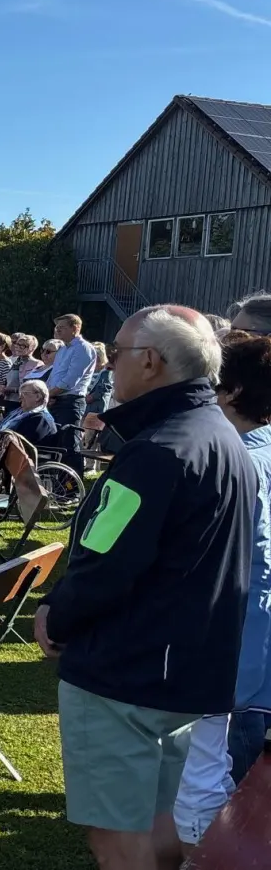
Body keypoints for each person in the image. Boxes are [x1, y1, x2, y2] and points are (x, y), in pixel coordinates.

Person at [35, 305, 252, 870]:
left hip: (125, 674)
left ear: (151, 361)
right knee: (160, 824)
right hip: (181, 668)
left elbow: (104, 562)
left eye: (116, 354)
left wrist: (55, 616)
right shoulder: (222, 437)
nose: (109, 367)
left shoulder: (157, 451)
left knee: (116, 839)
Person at [172, 332, 271, 851]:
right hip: (256, 631)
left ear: (230, 392)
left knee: (223, 778)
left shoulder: (234, 460)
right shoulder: (262, 449)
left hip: (235, 631)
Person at [48, 314, 98, 472]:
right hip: (56, 400)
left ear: (75, 328)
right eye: (56, 327)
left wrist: (48, 394)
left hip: (71, 402)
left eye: (61, 327)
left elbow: (70, 381)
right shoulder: (63, 349)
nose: (57, 330)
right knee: (56, 444)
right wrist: (49, 395)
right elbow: (54, 376)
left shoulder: (83, 348)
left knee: (69, 444)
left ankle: (73, 488)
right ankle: (58, 482)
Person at [0, 380, 58, 451]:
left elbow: (22, 444)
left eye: (24, 393)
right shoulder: (17, 413)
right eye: (20, 394)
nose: (20, 398)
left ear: (38, 397)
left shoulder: (41, 419)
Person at [2, 333, 43, 414]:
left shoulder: (37, 364)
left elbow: (33, 388)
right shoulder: (15, 362)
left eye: (23, 346)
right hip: (9, 401)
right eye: (17, 344)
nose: (18, 347)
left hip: (23, 403)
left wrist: (13, 390)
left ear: (32, 348)